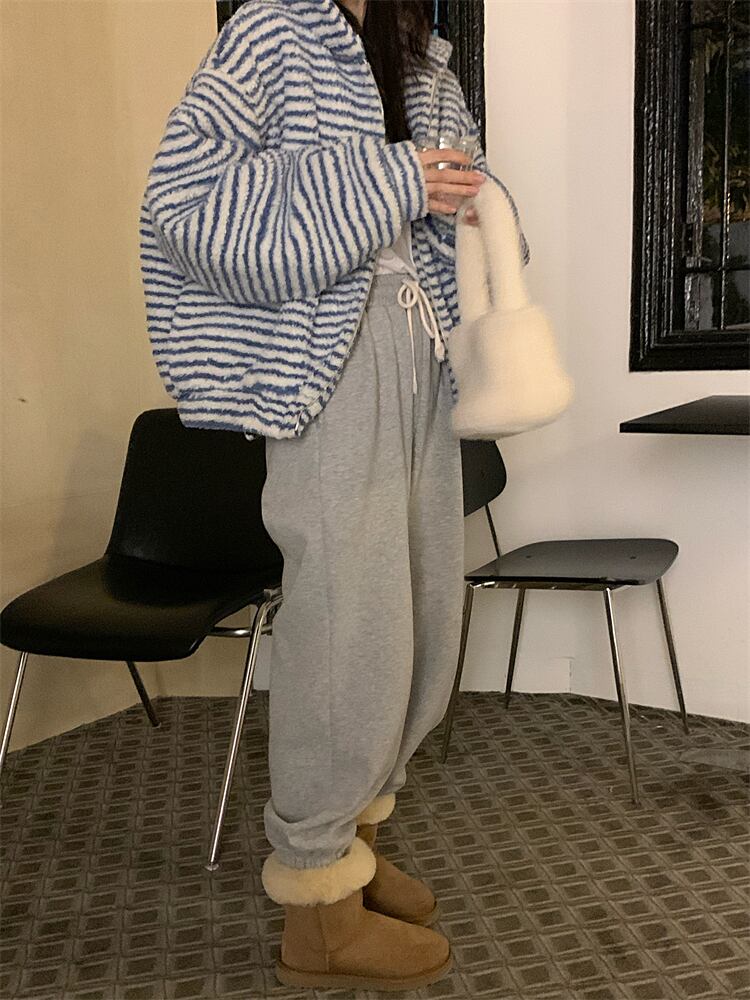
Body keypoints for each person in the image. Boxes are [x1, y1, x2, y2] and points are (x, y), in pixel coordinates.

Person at [140, 0, 530, 990]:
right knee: (346, 620)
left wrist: (474, 204)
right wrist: (393, 180)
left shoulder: (420, 58)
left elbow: (459, 204)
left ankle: (353, 842)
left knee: (420, 612)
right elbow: (187, 204)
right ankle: (317, 908)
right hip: (326, 361)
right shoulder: (271, 33)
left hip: (422, 348)